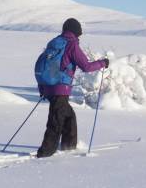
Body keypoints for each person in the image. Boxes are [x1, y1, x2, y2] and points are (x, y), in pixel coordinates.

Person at [36, 18, 109, 158]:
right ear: (76, 32)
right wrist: (103, 63)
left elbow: (43, 65)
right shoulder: (71, 45)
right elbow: (86, 66)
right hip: (60, 87)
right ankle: (45, 153)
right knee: (56, 120)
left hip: (48, 86)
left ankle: (68, 146)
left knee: (68, 116)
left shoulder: (55, 43)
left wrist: (42, 88)